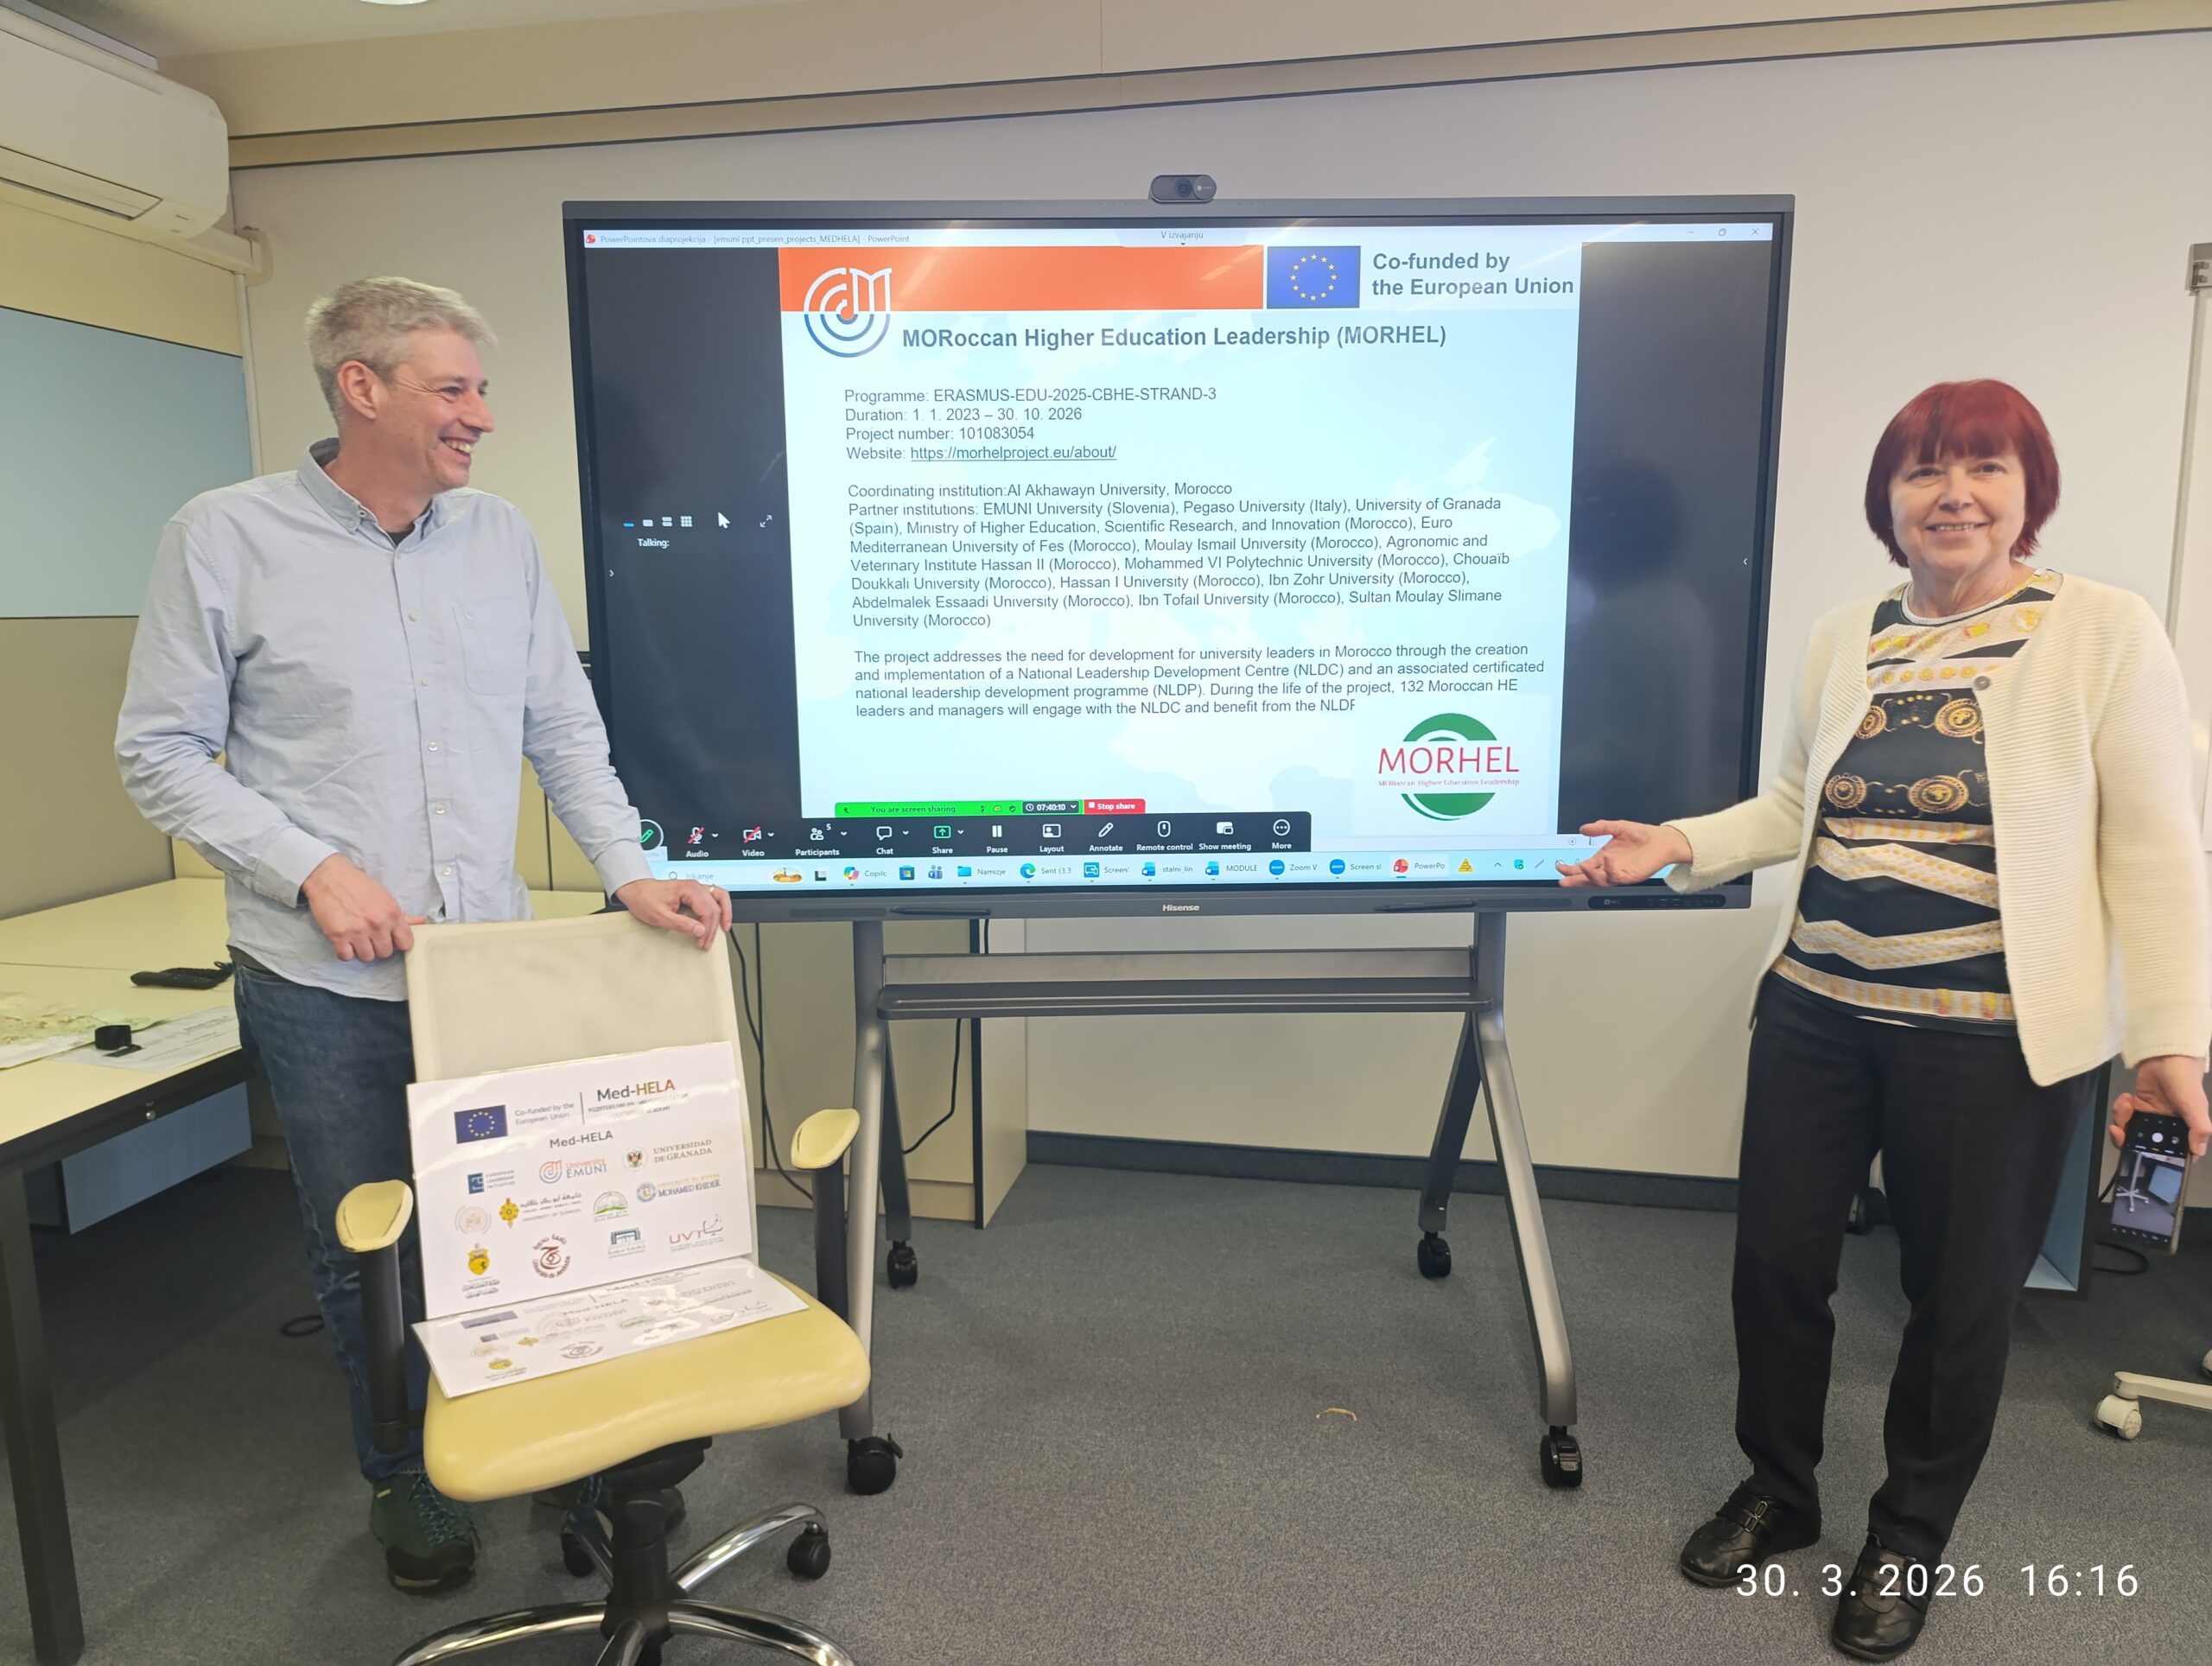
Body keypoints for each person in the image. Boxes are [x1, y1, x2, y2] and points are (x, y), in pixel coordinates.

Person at [1558, 379, 2209, 1661]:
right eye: (1924, 472)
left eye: (1984, 467)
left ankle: (1908, 1535)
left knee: (1957, 1299)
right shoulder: (1847, 631)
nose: (1953, 495)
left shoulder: (2105, 630)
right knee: (1776, 1268)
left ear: (2029, 490)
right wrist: (1675, 841)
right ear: (1889, 500)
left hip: (1993, 1041)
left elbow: (2154, 847)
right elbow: (1794, 801)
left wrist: (2171, 1038)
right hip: (1819, 1011)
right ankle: (1781, 1489)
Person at [115, 277, 733, 1593]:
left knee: (521, 1225)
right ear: (363, 387)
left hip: (484, 970)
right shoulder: (223, 536)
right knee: (370, 1244)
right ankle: (406, 1477)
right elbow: (158, 752)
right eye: (454, 389)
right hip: (319, 979)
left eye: (479, 390)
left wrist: (629, 872)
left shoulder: (498, 538)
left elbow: (562, 729)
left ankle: (562, 1446)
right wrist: (311, 869)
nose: (481, 416)